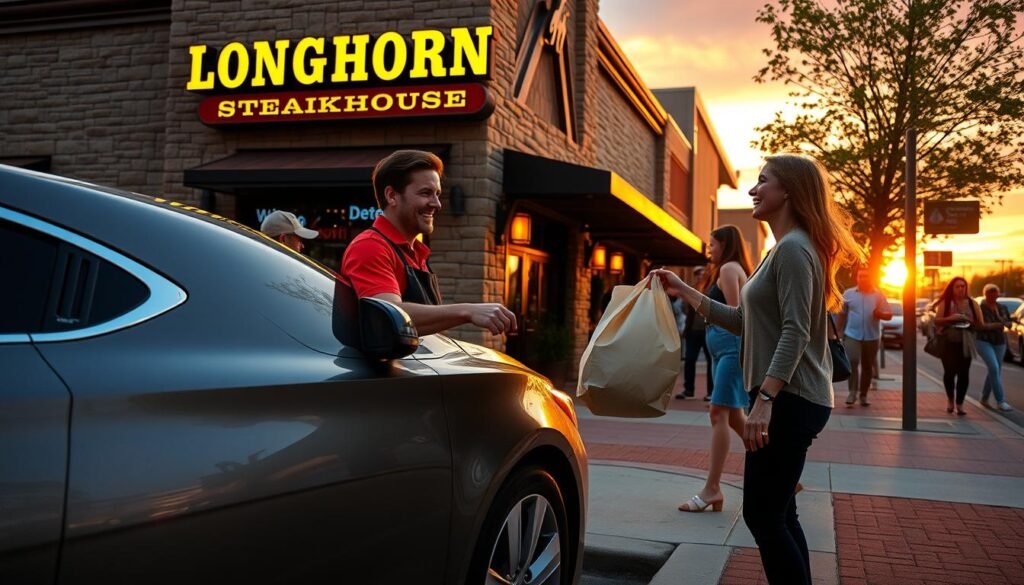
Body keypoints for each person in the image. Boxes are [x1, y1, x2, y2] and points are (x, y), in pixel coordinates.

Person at [652, 153, 861, 585]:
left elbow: (796, 330)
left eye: (763, 181)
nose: (752, 189)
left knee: (762, 516)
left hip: (790, 399)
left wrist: (765, 400)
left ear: (788, 191)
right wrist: (686, 290)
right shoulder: (780, 249)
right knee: (780, 513)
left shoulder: (795, 249)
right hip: (786, 397)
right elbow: (743, 321)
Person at [339, 149, 517, 336]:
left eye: (437, 194)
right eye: (426, 193)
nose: (437, 204)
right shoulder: (369, 247)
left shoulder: (414, 252)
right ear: (391, 196)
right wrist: (467, 311)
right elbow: (389, 316)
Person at [678, 225, 753, 513]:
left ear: (725, 244)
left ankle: (712, 489)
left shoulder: (729, 269)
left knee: (717, 412)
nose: (709, 249)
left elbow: (736, 315)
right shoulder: (725, 270)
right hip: (723, 350)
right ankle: (783, 472)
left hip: (730, 348)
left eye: (712, 244)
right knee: (734, 418)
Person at [836, 266, 892, 407]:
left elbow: (889, 314)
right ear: (857, 278)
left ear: (870, 278)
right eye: (860, 276)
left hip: (872, 336)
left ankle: (863, 395)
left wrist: (880, 314)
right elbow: (842, 314)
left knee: (867, 366)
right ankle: (852, 392)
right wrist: (838, 332)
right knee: (852, 361)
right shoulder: (849, 293)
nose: (862, 279)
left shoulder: (878, 295)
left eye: (865, 276)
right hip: (852, 334)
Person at [932, 276, 984, 415]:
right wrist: (951, 318)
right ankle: (950, 399)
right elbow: (937, 321)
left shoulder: (972, 303)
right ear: (952, 289)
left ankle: (960, 404)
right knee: (949, 373)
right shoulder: (946, 303)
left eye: (963, 286)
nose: (961, 289)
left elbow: (980, 324)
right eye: (957, 286)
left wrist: (969, 320)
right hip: (948, 342)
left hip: (966, 343)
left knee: (964, 374)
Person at [677, 266, 714, 400]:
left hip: (707, 330)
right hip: (692, 330)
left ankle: (711, 392)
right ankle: (688, 390)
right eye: (697, 274)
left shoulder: (711, 290)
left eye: (702, 274)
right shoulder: (692, 289)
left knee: (711, 361)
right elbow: (684, 308)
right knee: (689, 359)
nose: (700, 276)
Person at [976, 283, 1012, 411]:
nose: (994, 296)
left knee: (995, 370)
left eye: (995, 294)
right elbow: (980, 326)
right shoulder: (980, 308)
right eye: (990, 294)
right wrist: (997, 324)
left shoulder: (1002, 308)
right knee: (993, 367)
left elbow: (1009, 323)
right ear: (985, 295)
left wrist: (1006, 323)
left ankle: (984, 398)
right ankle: (1000, 401)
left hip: (999, 342)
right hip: (983, 341)